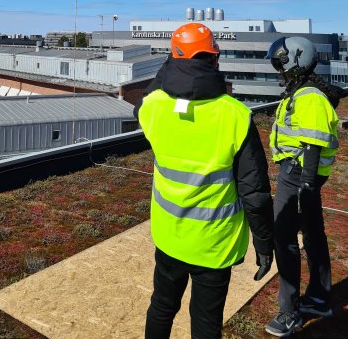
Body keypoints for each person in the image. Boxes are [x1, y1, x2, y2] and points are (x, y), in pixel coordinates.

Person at [134, 22, 274, 339]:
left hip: (170, 235)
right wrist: (265, 243)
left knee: (161, 307)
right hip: (214, 244)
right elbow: (255, 192)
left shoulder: (153, 107)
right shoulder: (235, 115)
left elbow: (149, 93)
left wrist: (173, 63)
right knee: (206, 322)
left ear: (173, 58)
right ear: (215, 59)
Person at [265, 36, 340, 337]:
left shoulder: (308, 97)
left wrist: (306, 184)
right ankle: (320, 298)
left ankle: (289, 312)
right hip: (302, 174)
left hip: (297, 174)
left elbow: (311, 143)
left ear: (298, 61)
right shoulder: (307, 93)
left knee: (283, 238)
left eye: (282, 64)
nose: (280, 71)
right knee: (312, 234)